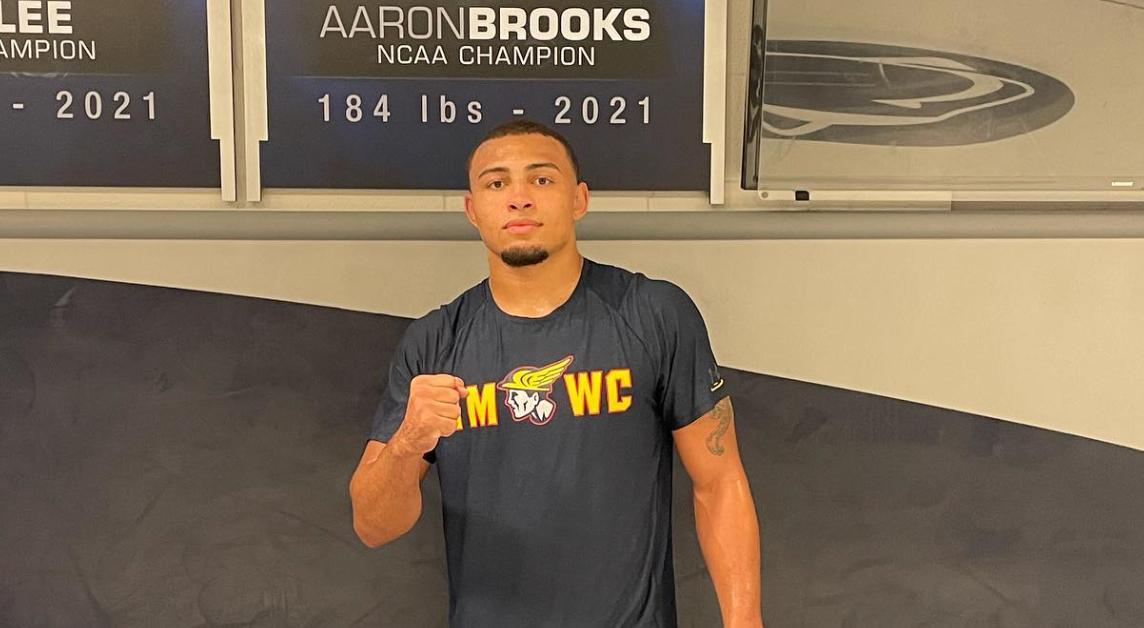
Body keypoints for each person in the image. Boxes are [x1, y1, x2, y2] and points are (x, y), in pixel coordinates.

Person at [349, 120, 764, 628]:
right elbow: (373, 526)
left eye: (542, 180)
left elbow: (719, 482)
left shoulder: (652, 314)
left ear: (579, 199)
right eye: (496, 183)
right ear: (472, 209)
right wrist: (407, 441)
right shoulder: (436, 342)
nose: (519, 198)